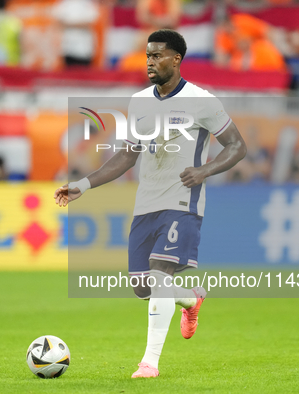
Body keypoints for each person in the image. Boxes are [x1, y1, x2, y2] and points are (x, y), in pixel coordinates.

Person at [54, 30, 247, 378]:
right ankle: (190, 299)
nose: (150, 62)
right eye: (147, 56)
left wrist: (204, 170)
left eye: (158, 56)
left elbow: (237, 147)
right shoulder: (139, 102)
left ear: (176, 59)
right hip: (146, 205)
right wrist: (83, 184)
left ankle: (149, 363)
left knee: (159, 275)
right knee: (143, 287)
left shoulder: (202, 100)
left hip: (182, 202)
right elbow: (127, 157)